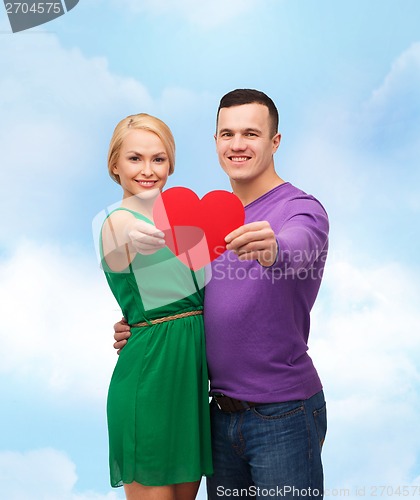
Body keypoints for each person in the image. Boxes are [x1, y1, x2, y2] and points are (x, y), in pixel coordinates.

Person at [113, 90, 329, 499]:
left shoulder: (301, 209)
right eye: (227, 133)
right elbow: (187, 300)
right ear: (215, 142)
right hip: (215, 416)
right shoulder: (206, 219)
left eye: (251, 133)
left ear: (275, 141)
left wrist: (275, 248)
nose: (237, 144)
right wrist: (139, 325)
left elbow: (300, 246)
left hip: (281, 415)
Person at [99, 113, 213, 500]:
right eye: (135, 159)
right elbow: (120, 246)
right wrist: (134, 238)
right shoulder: (117, 221)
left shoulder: (188, 222)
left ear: (171, 164)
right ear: (115, 164)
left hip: (191, 387)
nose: (148, 170)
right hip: (149, 383)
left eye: (158, 159)